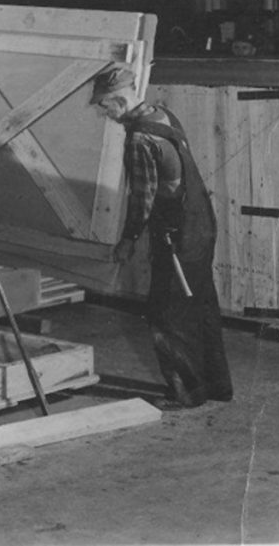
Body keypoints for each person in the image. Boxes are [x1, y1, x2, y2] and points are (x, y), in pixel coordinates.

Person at [89, 66, 233, 409]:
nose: (103, 114)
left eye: (104, 106)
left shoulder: (140, 139)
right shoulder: (164, 115)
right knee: (202, 306)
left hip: (177, 236)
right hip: (201, 225)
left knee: (166, 315)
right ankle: (218, 386)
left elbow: (142, 200)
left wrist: (128, 240)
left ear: (119, 100)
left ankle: (188, 393)